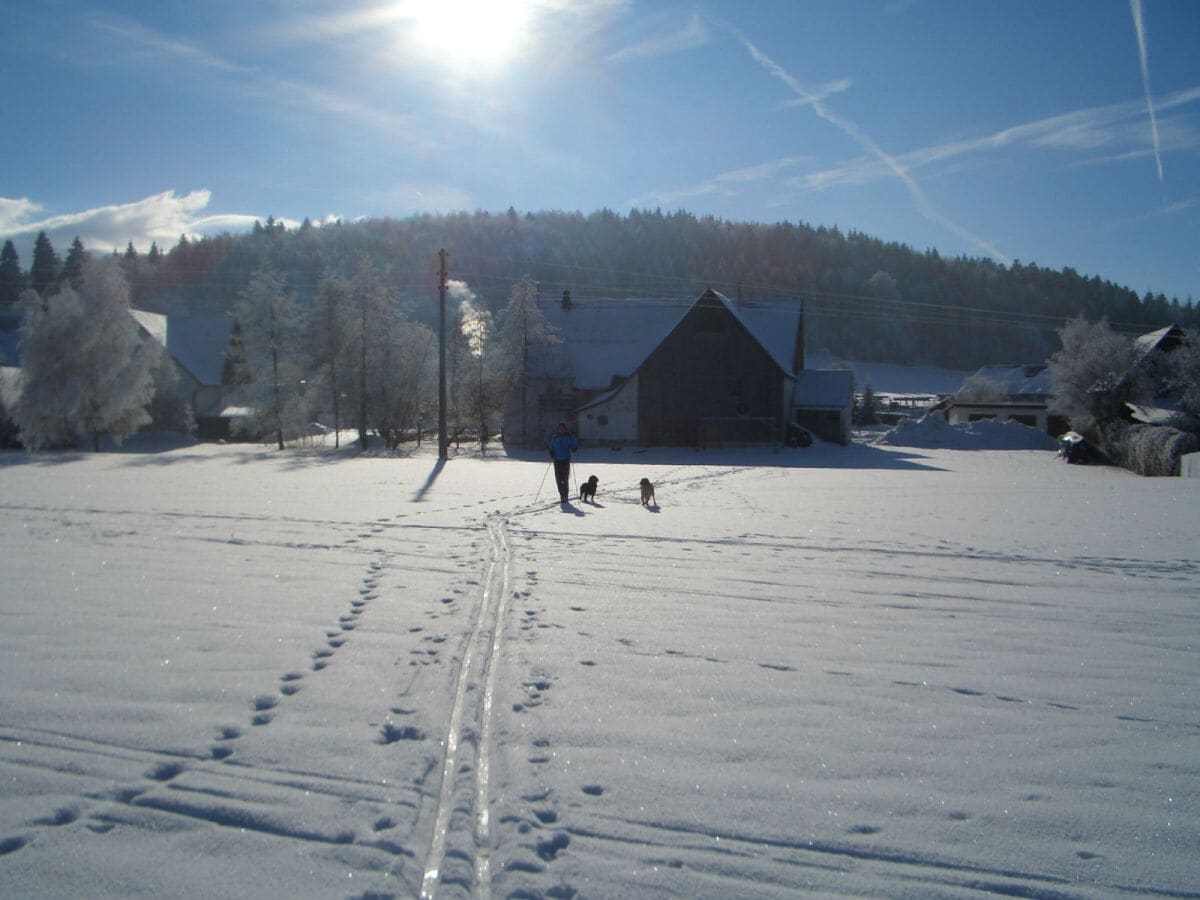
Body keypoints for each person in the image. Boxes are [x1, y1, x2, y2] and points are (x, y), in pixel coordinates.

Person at [547, 422, 578, 504]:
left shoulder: (568, 437)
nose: (561, 430)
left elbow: (574, 444)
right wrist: (551, 452)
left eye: (562, 428)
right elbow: (551, 446)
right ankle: (562, 495)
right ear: (558, 430)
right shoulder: (555, 438)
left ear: (565, 429)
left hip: (566, 459)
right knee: (558, 478)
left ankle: (565, 495)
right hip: (557, 460)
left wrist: (574, 447)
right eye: (559, 428)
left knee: (565, 478)